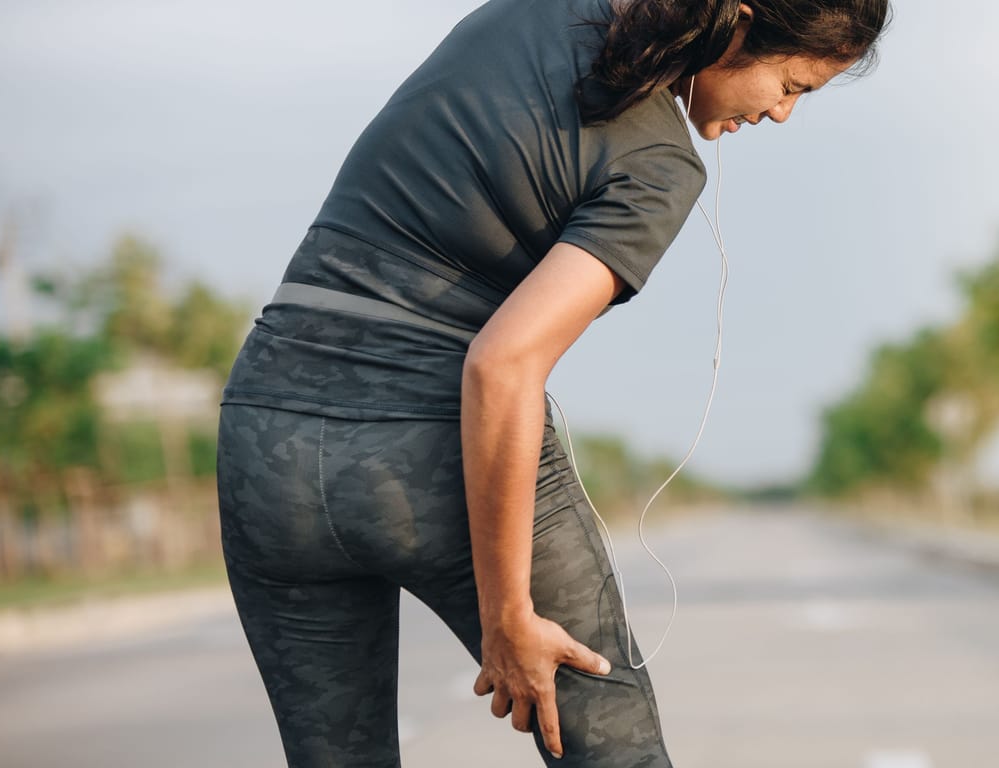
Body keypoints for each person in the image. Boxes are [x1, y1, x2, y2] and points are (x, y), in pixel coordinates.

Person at [215, 0, 889, 764]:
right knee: (618, 756)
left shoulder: (528, 10)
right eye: (793, 83)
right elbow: (501, 364)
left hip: (264, 444)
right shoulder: (661, 164)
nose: (782, 114)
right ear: (737, 21)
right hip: (428, 446)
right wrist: (508, 615)